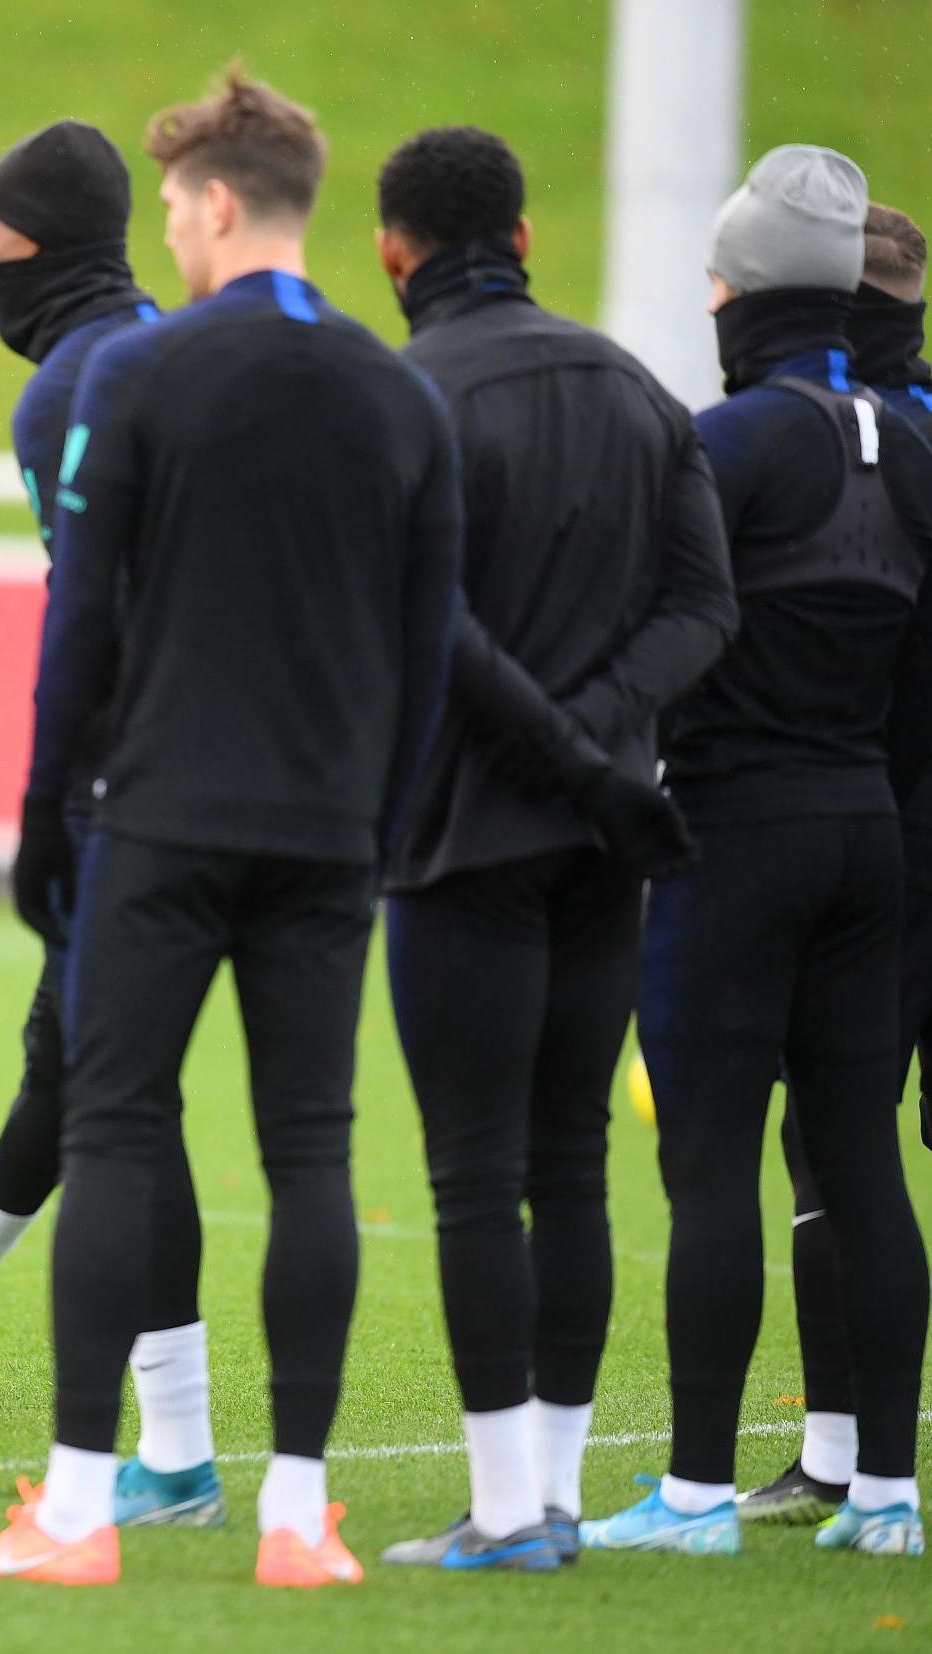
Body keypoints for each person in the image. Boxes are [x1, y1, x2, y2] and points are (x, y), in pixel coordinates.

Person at [0, 68, 460, 1589]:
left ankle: (81, 1509)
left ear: (221, 202)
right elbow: (427, 647)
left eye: (175, 204)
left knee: (114, 1132)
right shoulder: (399, 392)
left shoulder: (138, 380)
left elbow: (81, 629)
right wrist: (375, 826)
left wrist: (49, 823)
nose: (166, 230)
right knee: (312, 1151)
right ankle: (299, 1519)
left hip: (160, 821)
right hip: (323, 835)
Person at [369, 127, 737, 1572]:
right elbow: (706, 608)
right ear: (521, 239)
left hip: (462, 834)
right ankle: (562, 1490)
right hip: (609, 838)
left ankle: (510, 1508)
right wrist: (599, 753)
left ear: (396, 252)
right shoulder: (638, 389)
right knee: (569, 1160)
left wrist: (556, 750)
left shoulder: (406, 399)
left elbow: (427, 626)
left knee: (471, 1173)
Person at [0, 120, 228, 1531]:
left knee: (122, 1097)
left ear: (37, 248)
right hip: (279, 788)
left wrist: (55, 810)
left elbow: (93, 628)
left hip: (142, 796)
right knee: (92, 1067)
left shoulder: (71, 392)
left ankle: (164, 1460)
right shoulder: (196, 348)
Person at [584, 146, 932, 1561]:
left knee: (712, 1165)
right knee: (861, 1155)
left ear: (746, 295)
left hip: (734, 831)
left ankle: (693, 1495)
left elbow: (648, 640)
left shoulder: (721, 444)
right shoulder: (910, 445)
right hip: (873, 836)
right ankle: (889, 1494)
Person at [741, 201, 932, 1527]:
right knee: (843, 1145)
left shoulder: (839, 447)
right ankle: (850, 1461)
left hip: (873, 827)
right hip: (882, 825)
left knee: (836, 1143)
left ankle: (840, 1458)